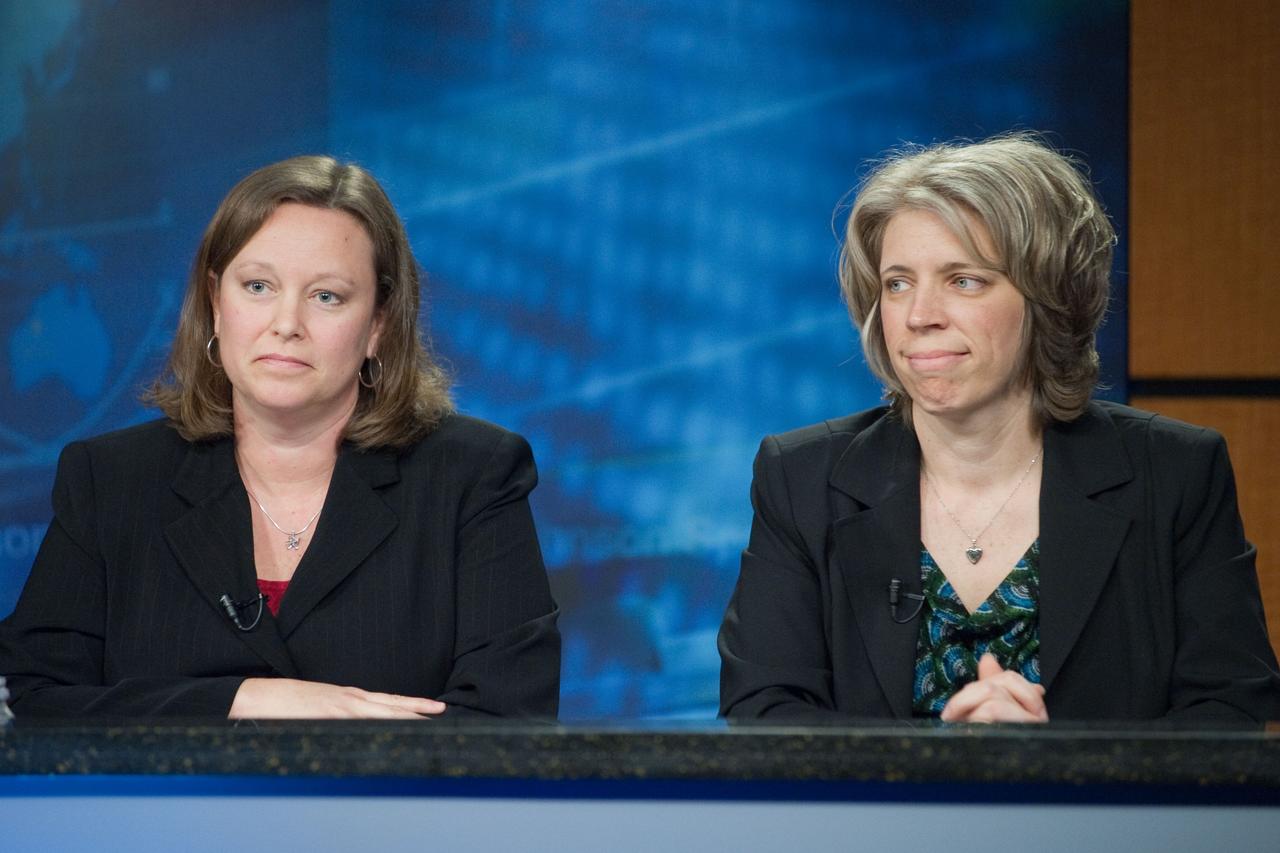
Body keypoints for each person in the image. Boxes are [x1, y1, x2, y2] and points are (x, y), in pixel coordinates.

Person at [719, 133, 1280, 723]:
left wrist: (1051, 768)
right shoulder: (802, 477)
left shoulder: (1174, 473)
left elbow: (1228, 711)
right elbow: (765, 708)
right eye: (897, 283)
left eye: (964, 280)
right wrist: (935, 767)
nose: (919, 316)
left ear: (1048, 299)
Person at [0, 156, 560, 718]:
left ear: (379, 324)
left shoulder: (473, 476)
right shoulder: (112, 480)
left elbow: (509, 722)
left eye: (326, 297)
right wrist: (247, 699)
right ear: (216, 302)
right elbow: (37, 702)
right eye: (259, 286)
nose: (286, 322)